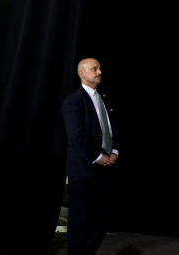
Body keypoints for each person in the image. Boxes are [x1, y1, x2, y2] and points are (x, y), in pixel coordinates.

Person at [62, 58, 119, 255]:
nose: (99, 71)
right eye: (94, 69)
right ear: (81, 73)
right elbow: (76, 136)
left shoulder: (104, 98)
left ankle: (89, 251)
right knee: (80, 217)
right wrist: (97, 157)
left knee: (99, 215)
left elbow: (111, 129)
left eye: (100, 68)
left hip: (105, 166)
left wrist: (114, 152)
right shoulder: (73, 101)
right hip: (84, 167)